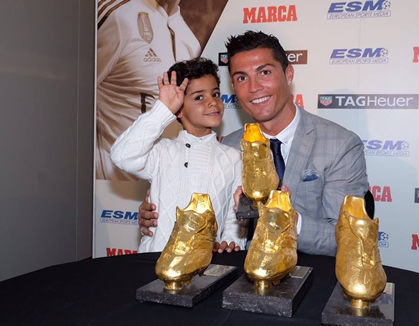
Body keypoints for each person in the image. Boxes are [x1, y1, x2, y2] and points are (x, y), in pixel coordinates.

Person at [138, 31, 369, 256]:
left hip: (311, 277)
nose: (254, 87)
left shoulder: (340, 145)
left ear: (288, 74)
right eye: (241, 78)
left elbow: (347, 240)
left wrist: (289, 220)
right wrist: (159, 212)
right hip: (240, 279)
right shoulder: (228, 147)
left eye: (265, 72)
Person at [111, 58, 246, 253]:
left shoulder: (233, 158)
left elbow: (234, 218)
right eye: (199, 97)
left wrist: (231, 243)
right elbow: (121, 156)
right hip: (155, 262)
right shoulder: (162, 151)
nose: (212, 102)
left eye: (215, 94)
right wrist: (163, 110)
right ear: (179, 109)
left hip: (206, 266)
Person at [97, 0, 201, 180]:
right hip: (113, 188)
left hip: (165, 187)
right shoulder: (118, 15)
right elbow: (69, 95)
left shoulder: (188, 40)